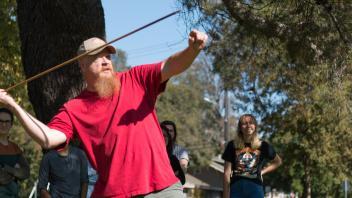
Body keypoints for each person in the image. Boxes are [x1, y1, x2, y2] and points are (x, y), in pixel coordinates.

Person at [0, 29, 207, 197]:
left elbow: (171, 65)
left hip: (163, 188)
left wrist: (193, 49)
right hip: (114, 194)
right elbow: (48, 139)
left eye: (107, 56)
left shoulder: (135, 78)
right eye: (97, 57)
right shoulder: (74, 108)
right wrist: (13, 105)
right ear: (82, 65)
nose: (106, 61)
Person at [222, 114, 282, 198]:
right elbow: (227, 173)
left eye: (251, 123)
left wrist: (262, 171)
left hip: (255, 188)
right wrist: (225, 196)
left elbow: (278, 161)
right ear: (240, 127)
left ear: (255, 126)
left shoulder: (263, 145)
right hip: (236, 188)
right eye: (244, 123)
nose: (248, 126)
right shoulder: (232, 145)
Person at [0, 107, 30, 197]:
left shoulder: (15, 148)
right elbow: (2, 179)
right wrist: (15, 172)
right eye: (0, 121)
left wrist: (6, 169)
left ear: (11, 124)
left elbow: (25, 173)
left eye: (7, 121)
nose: (3, 124)